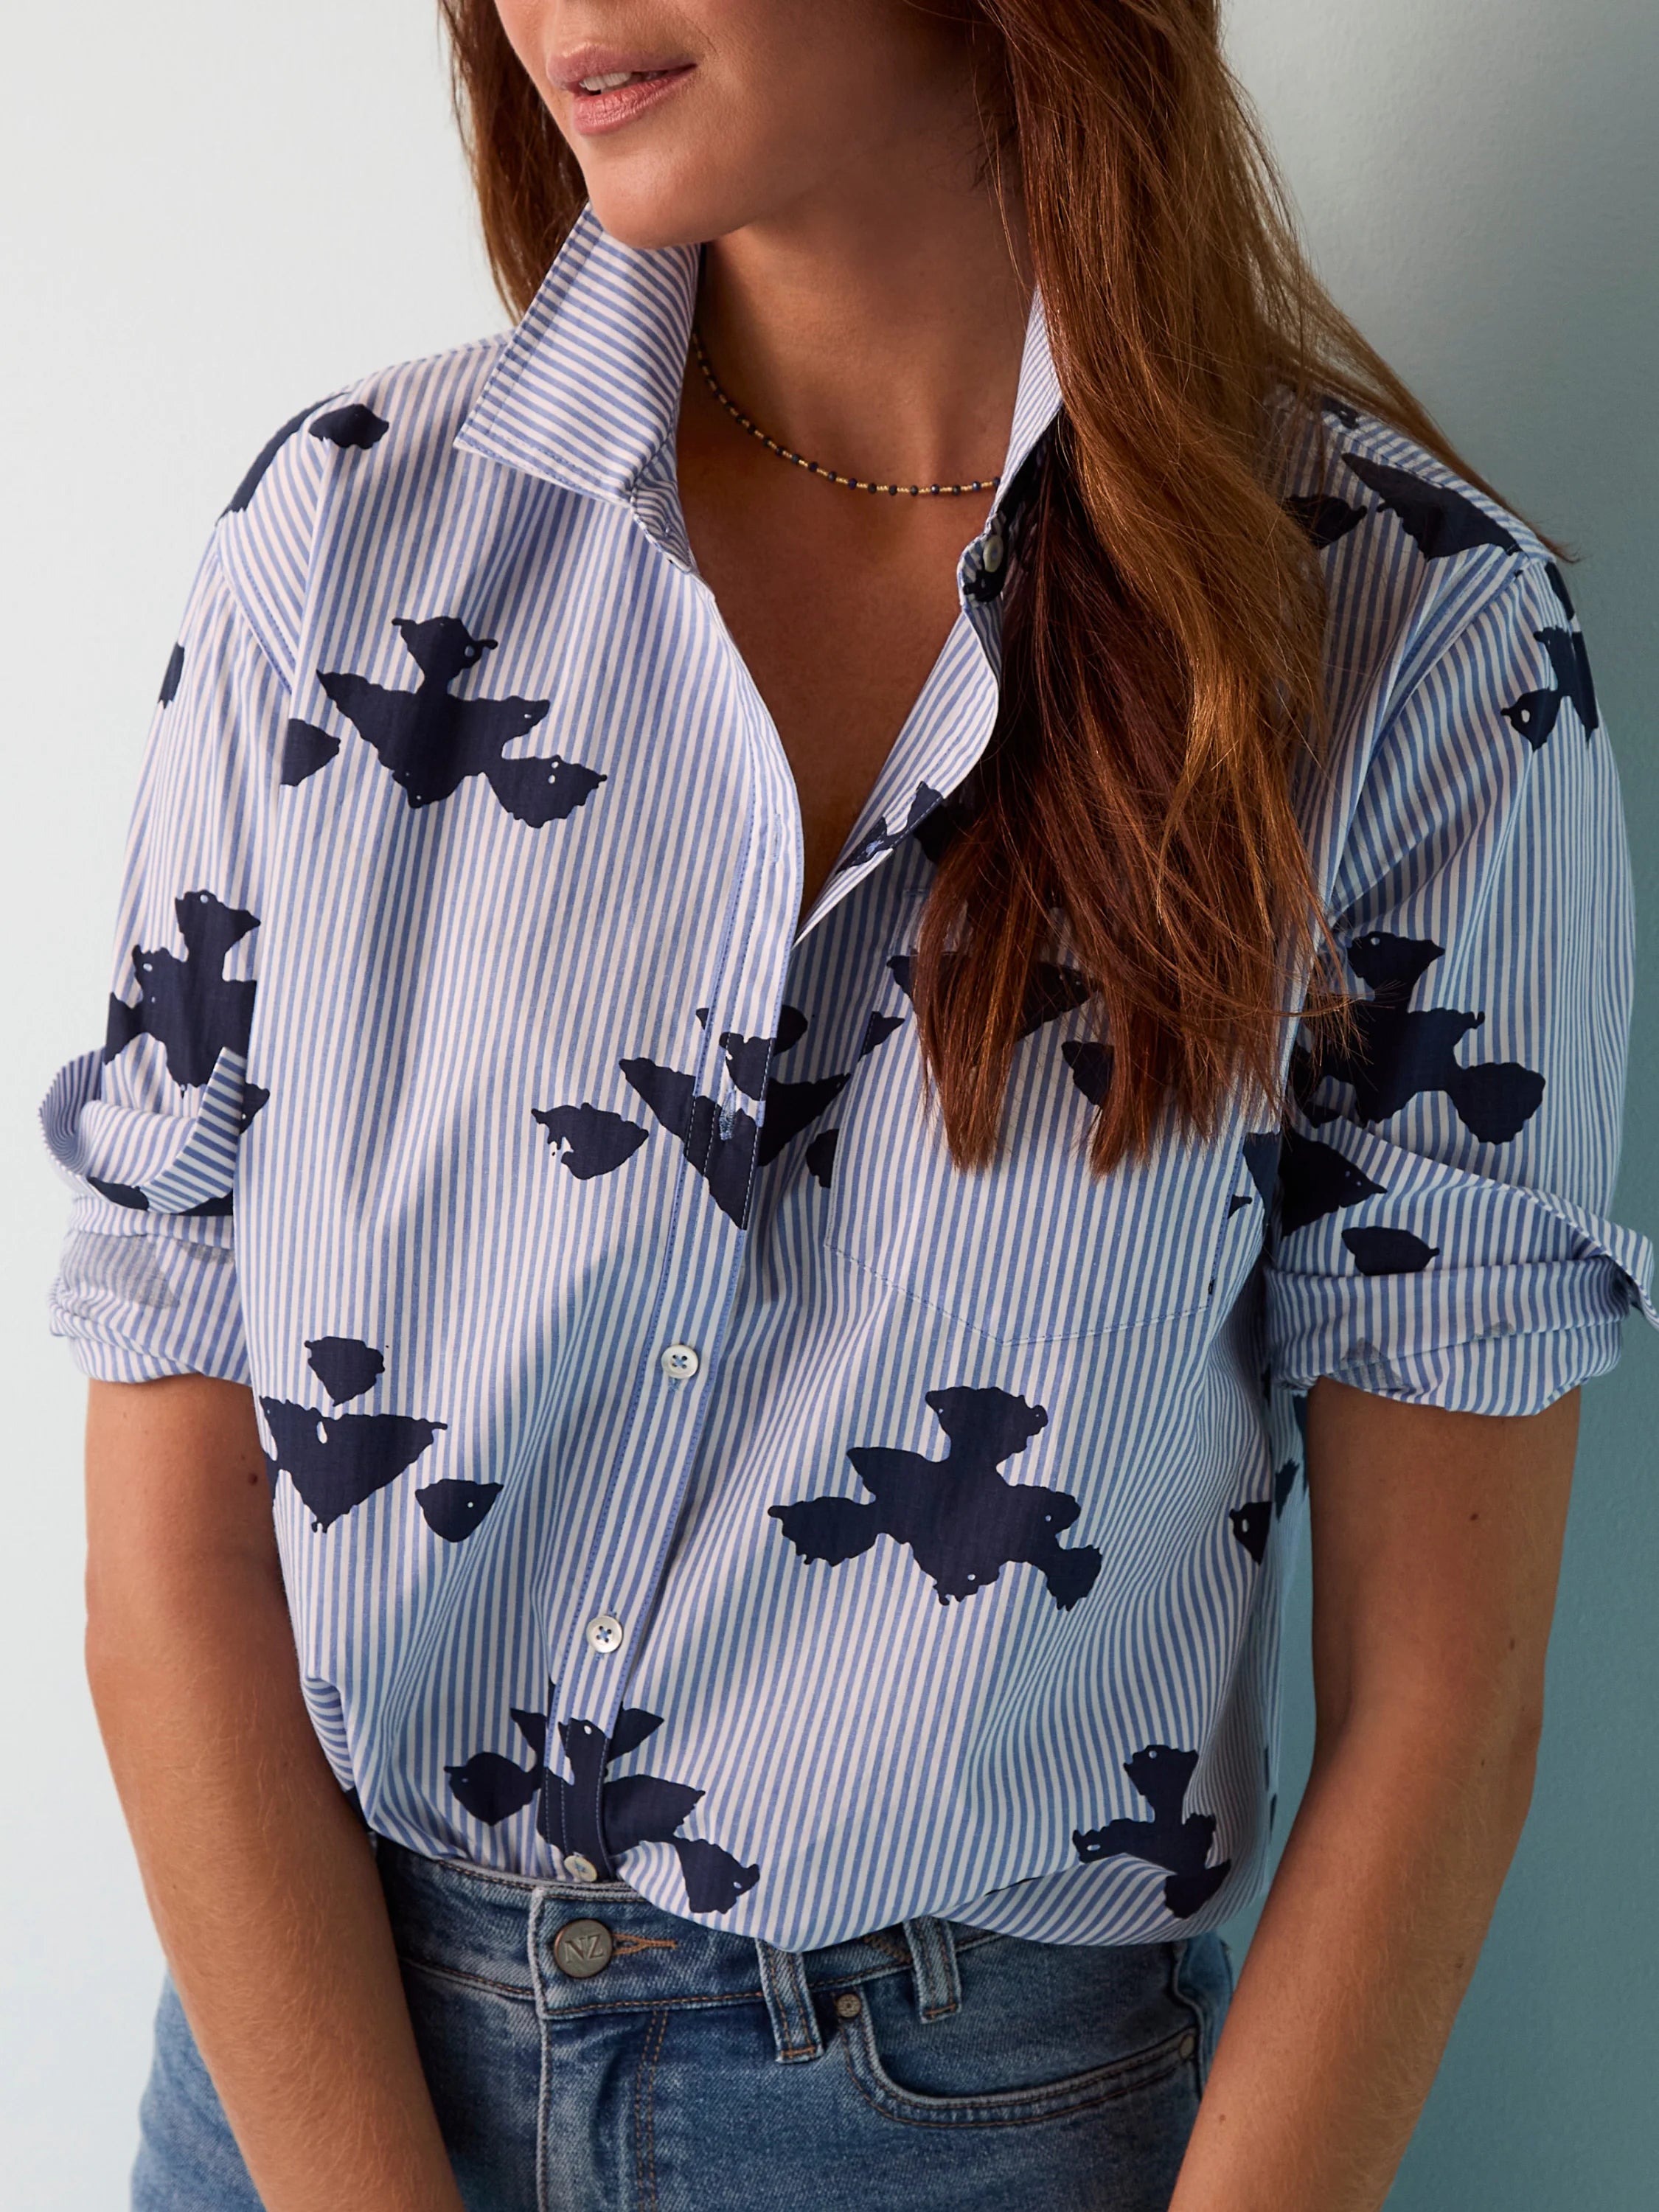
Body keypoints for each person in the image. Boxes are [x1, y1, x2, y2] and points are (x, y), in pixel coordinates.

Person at [38, 2, 1656, 2208]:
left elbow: (1438, 1712)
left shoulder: (1401, 648)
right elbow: (173, 1530)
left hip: (959, 2128)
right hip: (309, 2076)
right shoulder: (348, 551)